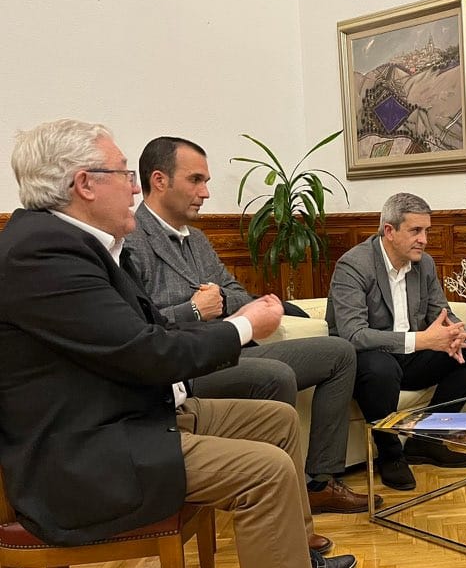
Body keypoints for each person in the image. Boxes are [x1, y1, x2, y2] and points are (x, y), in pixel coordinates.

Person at [0, 119, 378, 568]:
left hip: (126, 415)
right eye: (124, 174)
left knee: (275, 420)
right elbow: (143, 352)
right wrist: (240, 326)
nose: (132, 188)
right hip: (86, 454)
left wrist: (236, 319)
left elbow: (137, 331)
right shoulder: (43, 255)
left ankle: (294, 556)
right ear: (83, 184)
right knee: (266, 470)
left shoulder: (68, 245)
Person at [125, 136, 379, 520]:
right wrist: (193, 311)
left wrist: (222, 303)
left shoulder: (196, 239)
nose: (206, 192)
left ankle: (320, 483)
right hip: (187, 367)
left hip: (234, 348)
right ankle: (277, 501)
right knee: (274, 373)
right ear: (159, 180)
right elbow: (139, 326)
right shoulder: (132, 240)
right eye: (196, 180)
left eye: (205, 181)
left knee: (340, 353)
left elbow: (236, 293)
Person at [326, 192, 466, 490]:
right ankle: (390, 455)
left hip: (411, 356)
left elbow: (441, 311)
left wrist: (454, 332)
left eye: (427, 230)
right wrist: (422, 340)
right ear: (389, 231)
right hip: (367, 361)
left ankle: (426, 440)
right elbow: (354, 334)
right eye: (416, 231)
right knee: (380, 367)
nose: (424, 239)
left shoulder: (424, 265)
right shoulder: (354, 265)